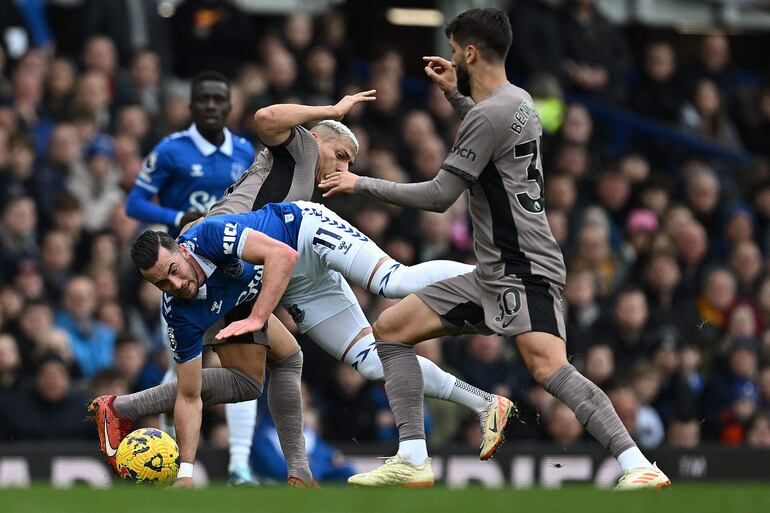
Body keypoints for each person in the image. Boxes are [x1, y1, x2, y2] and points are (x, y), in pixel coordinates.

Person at [319, 8, 670, 489]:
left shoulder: (489, 114)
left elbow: (441, 197)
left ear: (469, 52)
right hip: (495, 270)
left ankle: (637, 464)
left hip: (523, 267)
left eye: (452, 50)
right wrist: (454, 95)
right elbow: (488, 134)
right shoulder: (519, 101)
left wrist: (361, 183)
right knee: (392, 328)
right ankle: (413, 457)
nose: (449, 58)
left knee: (550, 367)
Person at [93, 195, 509, 487]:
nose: (175, 283)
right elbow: (188, 394)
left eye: (173, 269)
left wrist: (257, 316)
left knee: (392, 281)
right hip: (298, 288)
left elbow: (282, 256)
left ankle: (497, 276)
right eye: (160, 282)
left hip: (304, 233)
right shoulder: (178, 313)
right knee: (368, 361)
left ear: (181, 249)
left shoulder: (207, 236)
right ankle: (485, 403)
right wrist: (185, 472)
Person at [124, 70, 259, 485]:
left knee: (243, 365)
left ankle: (239, 466)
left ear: (230, 106)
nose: (212, 106)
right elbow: (134, 202)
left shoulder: (245, 149)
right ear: (191, 106)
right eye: (204, 100)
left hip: (231, 273)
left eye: (220, 100)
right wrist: (175, 217)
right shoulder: (171, 150)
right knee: (182, 371)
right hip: (182, 275)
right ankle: (163, 455)